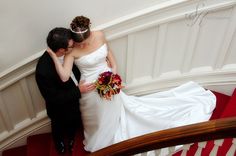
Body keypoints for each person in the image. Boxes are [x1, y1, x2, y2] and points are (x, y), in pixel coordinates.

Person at [47, 16, 216, 153]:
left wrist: (113, 68)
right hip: (89, 90)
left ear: (90, 32)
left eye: (86, 40)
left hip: (108, 80)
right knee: (97, 118)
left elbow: (107, 50)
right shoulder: (72, 51)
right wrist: (54, 57)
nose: (83, 45)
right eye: (80, 43)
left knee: (114, 109)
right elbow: (64, 77)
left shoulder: (99, 35)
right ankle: (100, 141)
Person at [35, 27, 95, 154]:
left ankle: (72, 137)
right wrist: (78, 91)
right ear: (62, 50)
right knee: (58, 126)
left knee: (74, 122)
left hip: (76, 100)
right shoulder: (43, 70)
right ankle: (59, 143)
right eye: (71, 45)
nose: (74, 46)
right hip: (59, 108)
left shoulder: (70, 52)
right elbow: (53, 98)